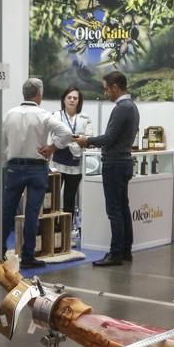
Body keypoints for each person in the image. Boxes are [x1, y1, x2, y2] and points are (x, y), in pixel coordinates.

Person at [1, 78, 74, 269]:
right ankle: (28, 256)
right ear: (39, 95)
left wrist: (5, 163)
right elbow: (66, 133)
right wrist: (53, 147)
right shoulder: (43, 115)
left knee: (7, 211)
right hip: (36, 168)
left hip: (14, 167)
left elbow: (4, 142)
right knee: (32, 214)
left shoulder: (10, 114)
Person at [75, 72, 138, 267]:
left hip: (115, 163)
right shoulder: (132, 107)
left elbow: (109, 138)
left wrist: (88, 141)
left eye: (106, 88)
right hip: (124, 161)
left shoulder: (122, 108)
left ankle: (116, 253)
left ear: (115, 87)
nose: (105, 93)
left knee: (114, 211)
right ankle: (126, 250)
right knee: (123, 207)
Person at [49, 86, 92, 222]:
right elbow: (54, 137)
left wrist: (67, 139)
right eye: (69, 97)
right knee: (54, 198)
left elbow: (88, 139)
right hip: (57, 163)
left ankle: (67, 230)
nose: (72, 100)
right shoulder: (56, 116)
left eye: (75, 98)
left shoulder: (85, 118)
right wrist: (76, 138)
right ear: (64, 99)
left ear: (79, 101)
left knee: (70, 198)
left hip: (75, 165)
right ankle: (53, 228)